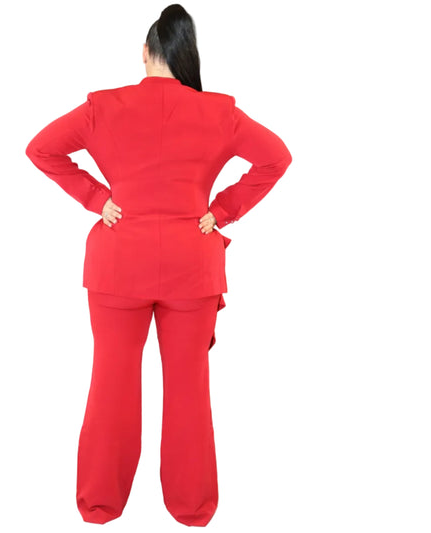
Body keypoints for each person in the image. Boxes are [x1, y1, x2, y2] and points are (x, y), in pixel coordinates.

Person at [25, 3, 292, 527]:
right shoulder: (218, 112)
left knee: (111, 384)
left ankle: (100, 505)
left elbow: (41, 150)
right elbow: (276, 157)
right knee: (189, 389)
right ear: (186, 55)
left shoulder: (104, 107)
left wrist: (97, 198)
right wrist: (221, 211)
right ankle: (192, 508)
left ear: (145, 52)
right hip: (191, 265)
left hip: (119, 263)